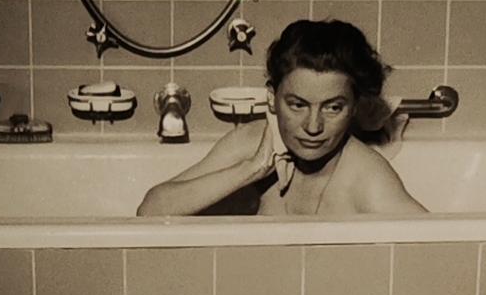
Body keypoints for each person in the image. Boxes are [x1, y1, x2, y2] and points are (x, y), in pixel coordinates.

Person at [136, 19, 425, 219]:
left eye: (333, 108)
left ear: (354, 107)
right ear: (271, 99)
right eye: (297, 105)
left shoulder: (368, 178)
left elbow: (440, 247)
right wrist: (251, 170)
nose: (313, 126)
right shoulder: (247, 144)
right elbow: (150, 211)